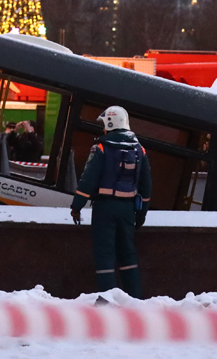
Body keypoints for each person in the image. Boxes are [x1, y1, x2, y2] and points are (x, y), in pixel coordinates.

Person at [70, 106, 152, 298]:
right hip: (128, 210)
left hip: (104, 209)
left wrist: (77, 206)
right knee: (128, 255)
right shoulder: (139, 149)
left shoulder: (101, 147)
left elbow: (88, 179)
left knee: (105, 255)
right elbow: (146, 185)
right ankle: (134, 298)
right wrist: (142, 213)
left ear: (109, 124)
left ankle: (108, 299)